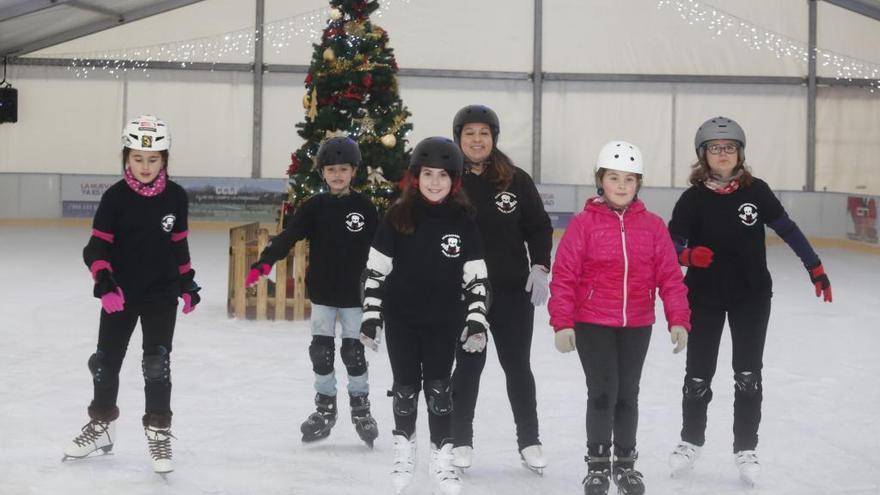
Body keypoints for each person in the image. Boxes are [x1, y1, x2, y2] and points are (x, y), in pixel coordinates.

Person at [666, 116, 833, 485]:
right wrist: (688, 257)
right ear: (702, 155)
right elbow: (670, 246)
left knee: (747, 375)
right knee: (697, 374)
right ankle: (690, 441)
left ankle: (745, 448)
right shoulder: (692, 199)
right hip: (704, 297)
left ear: (740, 153)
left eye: (729, 148)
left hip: (751, 296)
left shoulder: (756, 192)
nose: (722, 154)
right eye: (714, 148)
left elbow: (787, 228)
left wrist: (815, 266)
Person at [549, 140, 691, 495]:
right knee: (602, 392)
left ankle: (626, 464)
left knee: (628, 394)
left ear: (639, 183)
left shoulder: (654, 227)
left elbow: (670, 277)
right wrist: (563, 322)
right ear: (601, 180)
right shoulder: (583, 225)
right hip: (592, 322)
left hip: (637, 323)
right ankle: (597, 464)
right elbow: (565, 275)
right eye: (614, 178)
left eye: (630, 179)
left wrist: (678, 319)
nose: (622, 186)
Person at [63, 115, 201, 474]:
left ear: (165, 160)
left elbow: (179, 245)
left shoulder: (175, 196)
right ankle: (101, 426)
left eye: (153, 159)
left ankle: (158, 429)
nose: (144, 166)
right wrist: (104, 281)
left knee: (157, 364)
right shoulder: (115, 198)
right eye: (137, 158)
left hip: (160, 293)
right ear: (126, 157)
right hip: (120, 292)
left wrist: (187, 282)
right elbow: (95, 248)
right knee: (105, 363)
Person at [359, 136, 489, 495]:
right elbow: (375, 271)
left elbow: (476, 276)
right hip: (402, 319)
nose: (435, 182)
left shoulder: (463, 220)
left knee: (439, 389)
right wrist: (372, 315)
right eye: (428, 174)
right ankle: (404, 450)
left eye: (443, 176)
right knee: (404, 390)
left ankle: (441, 456)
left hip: (444, 321)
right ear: (416, 177)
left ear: (455, 180)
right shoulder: (398, 216)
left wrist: (476, 318)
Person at [246, 136, 379, 447]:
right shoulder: (314, 207)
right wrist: (265, 263)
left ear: (354, 171)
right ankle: (325, 407)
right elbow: (289, 235)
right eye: (330, 169)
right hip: (322, 292)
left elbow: (382, 249)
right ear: (322, 173)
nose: (336, 175)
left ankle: (361, 408)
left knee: (353, 352)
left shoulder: (366, 208)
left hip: (354, 296)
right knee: (321, 351)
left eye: (343, 169)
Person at [448, 104, 553, 473]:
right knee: (468, 366)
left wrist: (540, 265)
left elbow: (539, 227)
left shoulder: (515, 180)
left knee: (517, 366)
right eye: (469, 133)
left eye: (484, 133)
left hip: (511, 292)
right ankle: (459, 439)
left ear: (494, 137)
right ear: (459, 137)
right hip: (465, 295)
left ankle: (529, 440)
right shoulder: (447, 181)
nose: (477, 140)